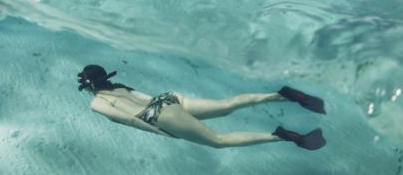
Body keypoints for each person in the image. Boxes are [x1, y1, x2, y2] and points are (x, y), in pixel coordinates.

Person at [77, 64, 326, 151]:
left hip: (155, 115)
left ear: (88, 86)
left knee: (218, 141)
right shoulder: (119, 85)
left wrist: (160, 132)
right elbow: (149, 97)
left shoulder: (97, 103)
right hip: (166, 99)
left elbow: (132, 120)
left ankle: (282, 137)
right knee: (226, 105)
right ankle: (279, 95)